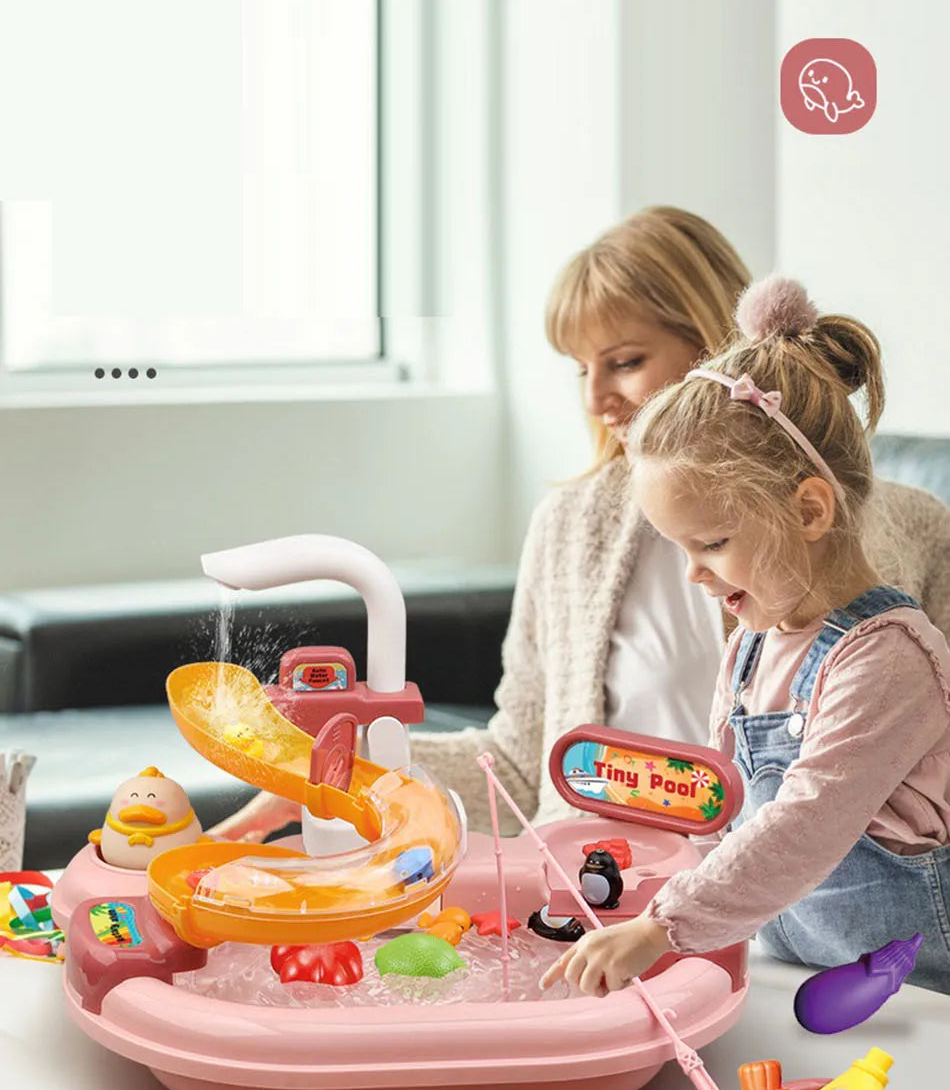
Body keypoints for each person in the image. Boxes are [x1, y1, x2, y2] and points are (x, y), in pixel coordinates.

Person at [211, 209, 950, 844]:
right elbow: (523, 761)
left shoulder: (907, 533)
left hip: (796, 929)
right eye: (579, 369)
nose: (596, 397)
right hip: (594, 906)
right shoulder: (568, 530)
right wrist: (353, 768)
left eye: (625, 362)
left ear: (719, 354)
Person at [542, 275, 950, 995]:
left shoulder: (889, 659)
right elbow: (723, 819)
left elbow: (804, 823)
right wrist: (651, 894)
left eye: (715, 542)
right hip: (789, 970)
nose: (695, 574)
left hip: (908, 996)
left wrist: (663, 927)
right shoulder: (753, 644)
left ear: (811, 509)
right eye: (682, 549)